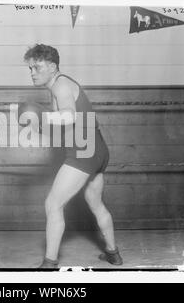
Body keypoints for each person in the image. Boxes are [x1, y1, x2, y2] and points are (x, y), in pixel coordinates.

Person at [22, 44, 123, 268]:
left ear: (53, 66)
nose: (32, 73)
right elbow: (66, 125)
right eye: (30, 69)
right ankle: (113, 253)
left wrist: (43, 118)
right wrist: (41, 126)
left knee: (52, 204)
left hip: (83, 153)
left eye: (37, 67)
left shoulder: (60, 85)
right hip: (97, 150)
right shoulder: (61, 85)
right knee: (96, 205)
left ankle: (49, 263)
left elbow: (68, 115)